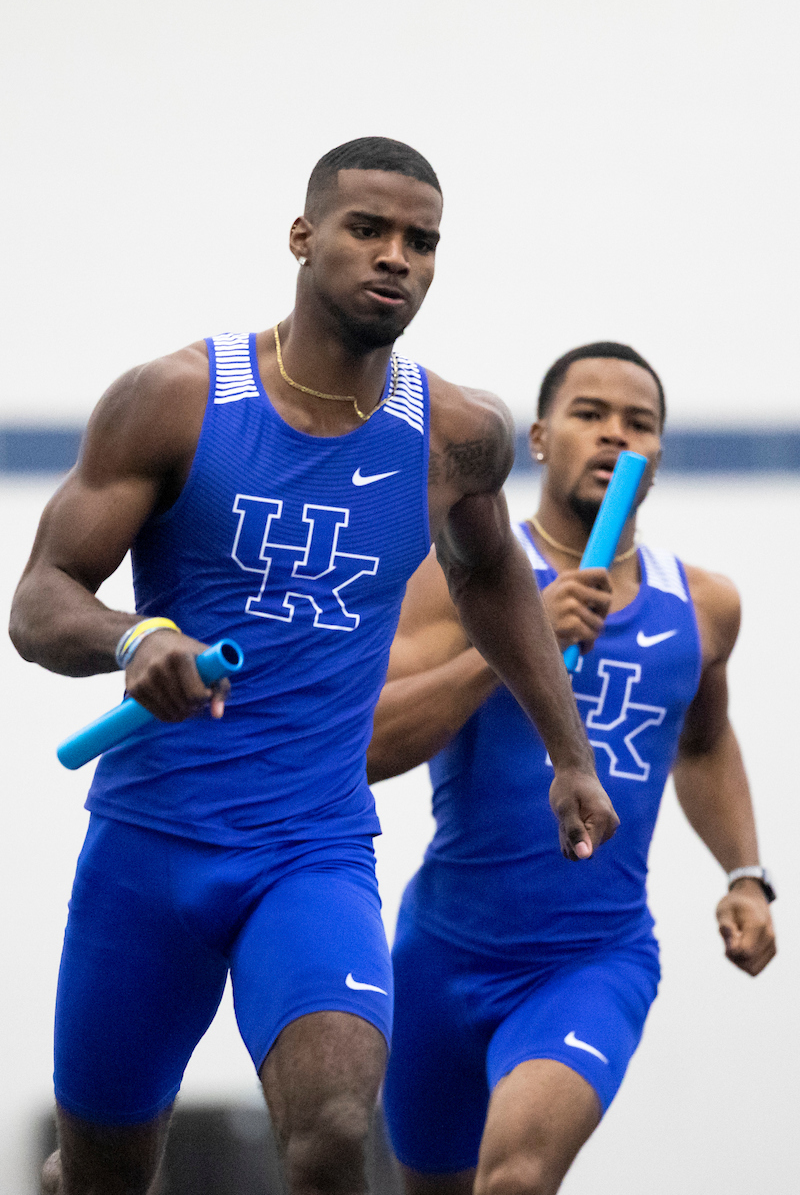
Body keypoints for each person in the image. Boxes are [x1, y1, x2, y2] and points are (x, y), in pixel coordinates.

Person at [9, 140, 617, 1195]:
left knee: (337, 1130)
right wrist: (133, 637)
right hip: (150, 848)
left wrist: (569, 752)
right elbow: (38, 601)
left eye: (420, 242)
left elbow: (493, 583)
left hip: (311, 848)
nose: (396, 259)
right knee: (107, 1176)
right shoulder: (173, 400)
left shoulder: (457, 435)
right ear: (302, 237)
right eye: (367, 231)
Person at [369, 342, 777, 1195]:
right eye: (590, 414)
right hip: (443, 955)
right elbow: (369, 743)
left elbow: (702, 745)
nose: (615, 436)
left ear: (659, 457)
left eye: (640, 424)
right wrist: (515, 641)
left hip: (594, 957)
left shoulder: (703, 606)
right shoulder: (461, 579)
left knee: (515, 1178)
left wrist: (746, 874)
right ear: (542, 438)